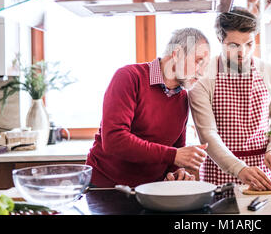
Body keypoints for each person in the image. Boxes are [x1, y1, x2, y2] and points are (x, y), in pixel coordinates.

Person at [86, 28, 211, 187]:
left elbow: (174, 153)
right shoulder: (129, 77)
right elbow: (114, 139)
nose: (202, 72)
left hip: (150, 190)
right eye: (198, 60)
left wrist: (177, 172)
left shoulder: (183, 98)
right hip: (105, 188)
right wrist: (173, 156)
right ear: (177, 54)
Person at [189, 7, 271, 191]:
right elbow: (208, 135)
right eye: (234, 45)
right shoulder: (203, 76)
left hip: (262, 174)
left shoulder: (269, 71)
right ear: (221, 40)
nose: (243, 52)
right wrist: (239, 169)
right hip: (219, 173)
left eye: (249, 44)